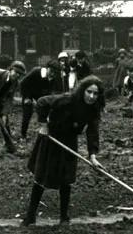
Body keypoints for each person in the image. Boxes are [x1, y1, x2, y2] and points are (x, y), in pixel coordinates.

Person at [21, 75, 105, 225]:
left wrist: (92, 156)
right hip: (51, 138)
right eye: (89, 92)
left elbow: (93, 132)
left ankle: (64, 217)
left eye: (95, 93)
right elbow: (41, 102)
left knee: (66, 178)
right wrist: (44, 125)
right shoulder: (67, 99)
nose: (92, 96)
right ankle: (30, 216)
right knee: (41, 176)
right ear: (82, 91)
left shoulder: (93, 110)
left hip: (69, 141)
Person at [20, 61, 56, 139]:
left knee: (46, 112)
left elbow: (49, 91)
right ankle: (23, 135)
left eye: (54, 73)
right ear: (47, 68)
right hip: (29, 93)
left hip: (40, 95)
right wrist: (27, 97)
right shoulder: (36, 71)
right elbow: (23, 83)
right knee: (27, 114)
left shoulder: (53, 78)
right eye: (51, 71)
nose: (52, 74)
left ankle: (45, 133)